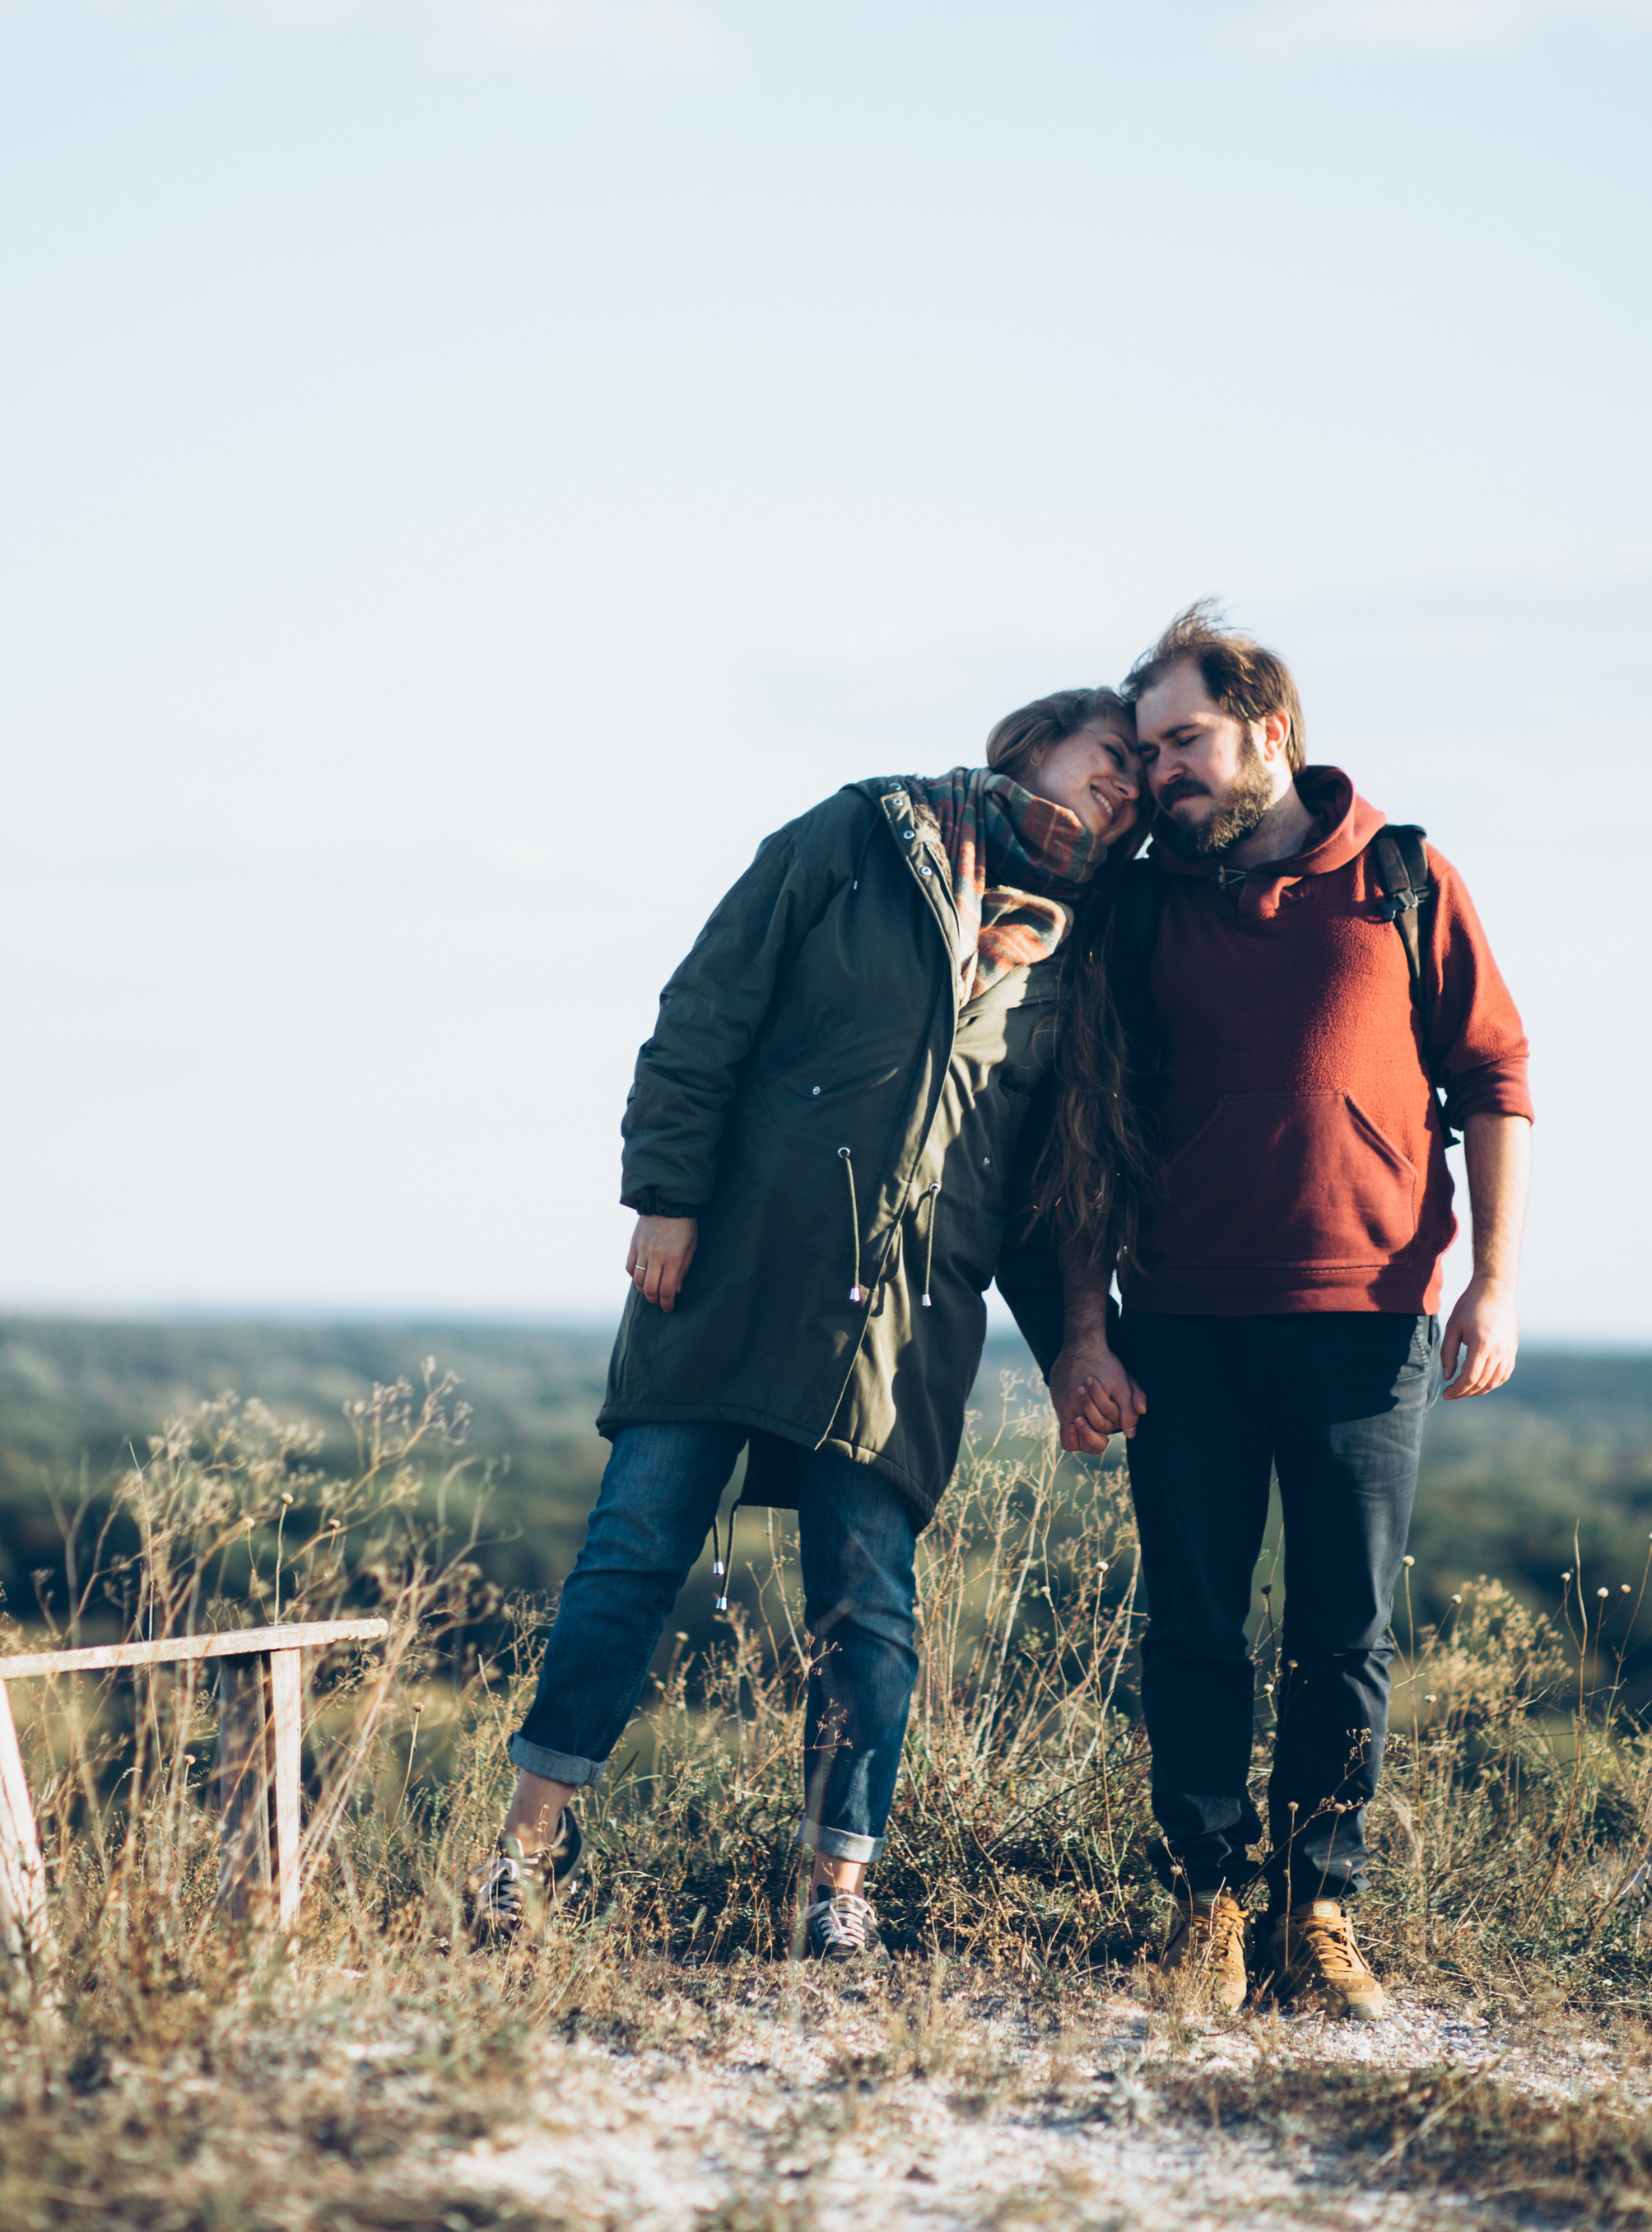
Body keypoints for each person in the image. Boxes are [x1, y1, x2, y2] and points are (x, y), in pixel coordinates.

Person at [472, 689, 1147, 1958]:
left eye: (1142, 784)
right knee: (633, 1550)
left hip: (903, 1324)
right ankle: (524, 1855)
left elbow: (1046, 1187)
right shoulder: (861, 837)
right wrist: (666, 1199)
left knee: (866, 1601)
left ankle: (836, 1892)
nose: (1127, 786)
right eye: (1112, 756)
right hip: (733, 1269)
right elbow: (705, 1014)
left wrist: (1076, 1338)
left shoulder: (1085, 947)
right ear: (1031, 745)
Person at [1049, 603, 1533, 2020]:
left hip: (1366, 1322)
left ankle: (1317, 1915)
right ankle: (1204, 1903)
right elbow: (1090, 1129)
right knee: (1193, 1622)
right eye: (1148, 751)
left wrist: (1494, 1282)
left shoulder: (1402, 875)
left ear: (1270, 731)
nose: (1163, 772)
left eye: (1185, 741)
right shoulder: (1139, 905)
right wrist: (1087, 1328)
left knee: (1345, 1630)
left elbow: (1497, 1080)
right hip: (1182, 1321)